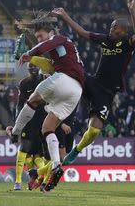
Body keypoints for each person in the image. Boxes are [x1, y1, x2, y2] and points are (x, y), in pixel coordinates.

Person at [56, 0, 135, 165]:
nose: (111, 29)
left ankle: (76, 150)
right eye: (111, 27)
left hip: (107, 92)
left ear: (123, 31)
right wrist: (65, 16)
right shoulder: (105, 40)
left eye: (115, 27)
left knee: (94, 131)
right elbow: (82, 32)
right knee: (71, 75)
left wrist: (132, 12)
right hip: (93, 82)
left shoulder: (127, 44)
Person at [6, 17, 85, 192]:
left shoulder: (59, 38)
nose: (40, 40)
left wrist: (29, 53)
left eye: (41, 36)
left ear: (50, 33)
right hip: (75, 91)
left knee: (33, 100)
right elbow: (50, 65)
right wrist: (31, 59)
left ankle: (15, 132)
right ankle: (56, 165)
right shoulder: (64, 53)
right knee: (47, 127)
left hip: (65, 80)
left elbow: (44, 47)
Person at [13, 63, 47, 191]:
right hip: (28, 121)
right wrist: (17, 122)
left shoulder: (46, 79)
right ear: (27, 69)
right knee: (24, 150)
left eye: (35, 66)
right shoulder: (24, 83)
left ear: (39, 67)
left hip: (42, 120)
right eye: (30, 67)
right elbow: (19, 104)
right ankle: (17, 182)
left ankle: (40, 180)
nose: (33, 68)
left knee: (39, 155)